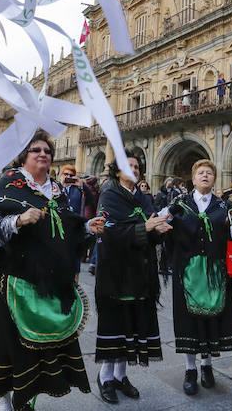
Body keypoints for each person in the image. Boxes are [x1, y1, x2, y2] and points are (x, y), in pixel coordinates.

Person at [0, 130, 106, 411]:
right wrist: (18, 220)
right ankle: (4, 399)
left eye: (47, 150)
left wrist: (86, 226)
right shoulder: (9, 183)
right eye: (36, 150)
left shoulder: (56, 189)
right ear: (24, 156)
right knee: (8, 343)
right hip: (10, 280)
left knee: (40, 347)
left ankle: (28, 398)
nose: (43, 154)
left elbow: (67, 225)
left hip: (48, 279)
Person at [93, 151, 168, 404]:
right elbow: (109, 231)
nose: (134, 170)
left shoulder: (145, 197)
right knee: (115, 323)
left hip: (141, 272)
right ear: (117, 171)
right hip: (116, 272)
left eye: (137, 167)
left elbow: (150, 226)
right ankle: (105, 377)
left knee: (132, 324)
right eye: (129, 166)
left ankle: (121, 376)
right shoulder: (109, 194)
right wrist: (144, 228)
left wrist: (158, 229)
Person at [167, 159, 232, 395]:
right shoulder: (180, 203)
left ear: (214, 179)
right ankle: (190, 369)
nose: (205, 176)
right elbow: (162, 224)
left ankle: (207, 365)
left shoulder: (223, 206)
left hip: (214, 272)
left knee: (212, 319)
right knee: (189, 321)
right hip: (187, 270)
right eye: (200, 172)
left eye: (209, 173)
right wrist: (166, 217)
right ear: (193, 178)